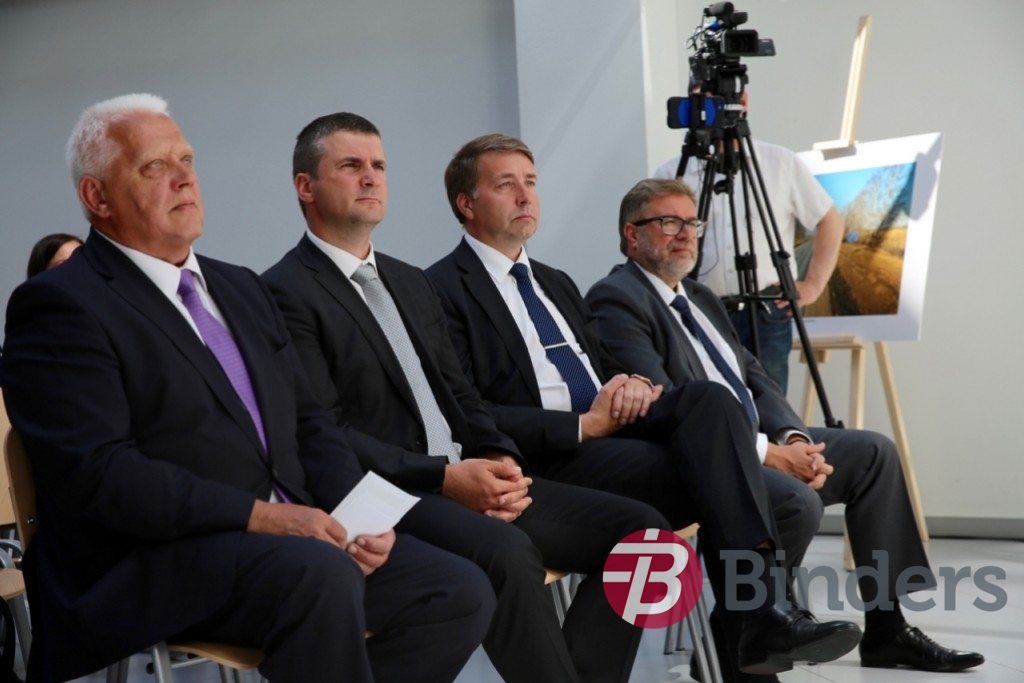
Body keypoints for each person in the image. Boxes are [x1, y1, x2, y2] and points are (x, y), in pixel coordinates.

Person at [0, 94, 495, 683]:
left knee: (457, 590)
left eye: (187, 160)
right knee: (318, 575)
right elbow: (100, 474)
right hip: (148, 560)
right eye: (155, 166)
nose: (185, 177)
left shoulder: (239, 287)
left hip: (286, 547)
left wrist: (354, 517)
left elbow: (310, 424)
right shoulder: (60, 305)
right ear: (97, 197)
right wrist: (262, 518)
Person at [425, 133, 865, 682]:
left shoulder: (555, 283)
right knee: (763, 502)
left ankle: (760, 615)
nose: (525, 196)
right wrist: (582, 426)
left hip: (614, 432)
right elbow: (465, 411)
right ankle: (758, 621)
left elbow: (607, 363)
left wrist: (629, 382)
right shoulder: (439, 289)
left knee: (708, 398)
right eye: (505, 185)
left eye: (531, 183)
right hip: (552, 454)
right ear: (466, 203)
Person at [260, 113, 671, 683]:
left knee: (648, 537)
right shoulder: (282, 292)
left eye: (378, 165)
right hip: (392, 492)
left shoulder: (409, 280)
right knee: (507, 553)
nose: (371, 178)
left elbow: (460, 394)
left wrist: (499, 455)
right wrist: (445, 477)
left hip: (468, 475)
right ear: (306, 186)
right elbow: (324, 434)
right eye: (351, 166)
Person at [585, 177, 985, 674]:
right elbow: (663, 405)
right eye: (669, 223)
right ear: (632, 235)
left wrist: (794, 439)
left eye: (692, 223)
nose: (686, 234)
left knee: (873, 454)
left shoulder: (700, 297)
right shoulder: (615, 298)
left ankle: (887, 629)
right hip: (703, 458)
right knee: (797, 501)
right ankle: (743, 635)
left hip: (760, 440)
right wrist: (769, 455)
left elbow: (754, 378)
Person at [654, 91, 844, 392]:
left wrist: (813, 285)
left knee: (770, 405)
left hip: (766, 312)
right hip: (699, 308)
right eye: (700, 101)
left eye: (715, 101)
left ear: (742, 101)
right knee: (707, 403)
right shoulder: (672, 173)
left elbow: (830, 220)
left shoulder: (779, 161)